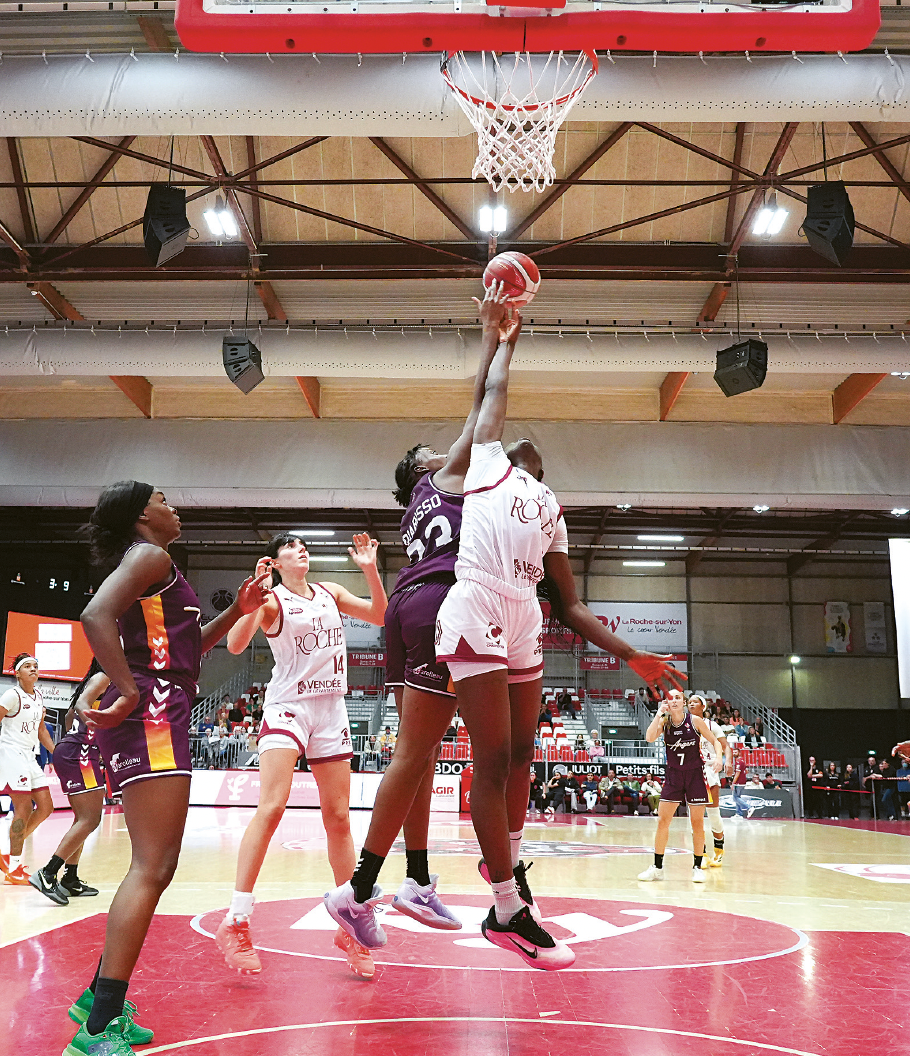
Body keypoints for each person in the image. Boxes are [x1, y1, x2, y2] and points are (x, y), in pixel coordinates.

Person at [66, 480, 269, 1056]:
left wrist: (238, 609)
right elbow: (94, 615)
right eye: (162, 498)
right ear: (140, 517)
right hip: (153, 711)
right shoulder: (149, 556)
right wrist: (127, 689)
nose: (173, 505)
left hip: (164, 702)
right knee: (153, 867)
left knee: (156, 864)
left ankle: (95, 1001)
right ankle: (99, 1028)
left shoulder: (158, 567)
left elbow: (187, 651)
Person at [217, 531, 386, 981]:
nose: (300, 549)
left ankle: (349, 924)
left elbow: (381, 615)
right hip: (288, 708)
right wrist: (251, 602)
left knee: (339, 818)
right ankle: (236, 919)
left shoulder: (330, 592)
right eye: (290, 546)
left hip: (331, 709)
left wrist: (369, 567)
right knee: (271, 807)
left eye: (302, 545)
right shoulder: (272, 601)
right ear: (275, 561)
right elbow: (234, 645)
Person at [29, 663, 110, 906]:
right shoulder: (104, 677)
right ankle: (48, 873)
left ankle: (70, 879)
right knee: (90, 819)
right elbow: (79, 710)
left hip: (79, 750)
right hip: (80, 753)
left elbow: (68, 717)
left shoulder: (97, 680)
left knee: (83, 819)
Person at [638, 693, 722, 883]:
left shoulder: (695, 721)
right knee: (663, 821)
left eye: (677, 697)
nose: (673, 700)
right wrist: (659, 713)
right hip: (674, 776)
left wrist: (718, 758)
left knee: (697, 823)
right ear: (666, 703)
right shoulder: (665, 722)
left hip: (695, 775)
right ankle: (657, 868)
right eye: (670, 698)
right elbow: (649, 737)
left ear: (683, 702)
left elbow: (716, 741)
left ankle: (697, 867)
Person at [0, 654, 56, 883]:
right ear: (18, 673)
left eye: (36, 666)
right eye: (27, 667)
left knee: (46, 807)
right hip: (11, 753)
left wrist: (57, 753)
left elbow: (41, 731)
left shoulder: (39, 696)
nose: (33, 669)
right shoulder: (11, 695)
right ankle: (13, 868)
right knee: (22, 808)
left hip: (29, 755)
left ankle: (7, 852)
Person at [687, 693, 732, 869]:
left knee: (713, 813)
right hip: (691, 770)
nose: (691, 704)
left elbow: (726, 746)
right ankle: (701, 853)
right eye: (689, 702)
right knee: (695, 816)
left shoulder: (712, 725)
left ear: (703, 706)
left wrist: (727, 761)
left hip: (710, 767)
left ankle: (719, 851)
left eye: (695, 702)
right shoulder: (683, 725)